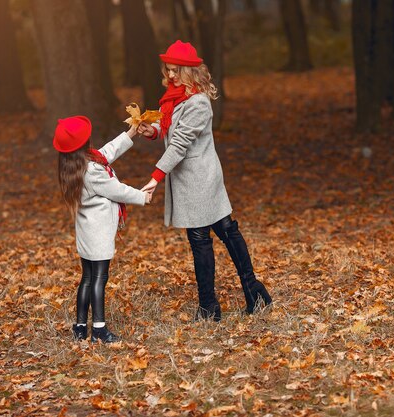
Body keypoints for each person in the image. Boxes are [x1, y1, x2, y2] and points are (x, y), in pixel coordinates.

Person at [138, 40, 272, 321]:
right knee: (224, 228)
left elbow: (179, 144)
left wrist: (155, 176)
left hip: (199, 177)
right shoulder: (175, 97)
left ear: (189, 71)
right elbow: (169, 131)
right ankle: (252, 293)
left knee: (206, 237)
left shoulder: (197, 102)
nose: (171, 75)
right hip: (190, 177)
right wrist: (150, 131)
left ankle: (214, 305)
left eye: (176, 70)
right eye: (168, 69)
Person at [53, 116, 151, 342]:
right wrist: (142, 197)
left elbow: (106, 152)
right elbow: (116, 190)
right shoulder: (92, 171)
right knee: (100, 277)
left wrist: (130, 134)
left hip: (87, 232)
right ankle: (98, 328)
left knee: (87, 277)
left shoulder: (75, 165)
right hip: (98, 234)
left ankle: (79, 327)